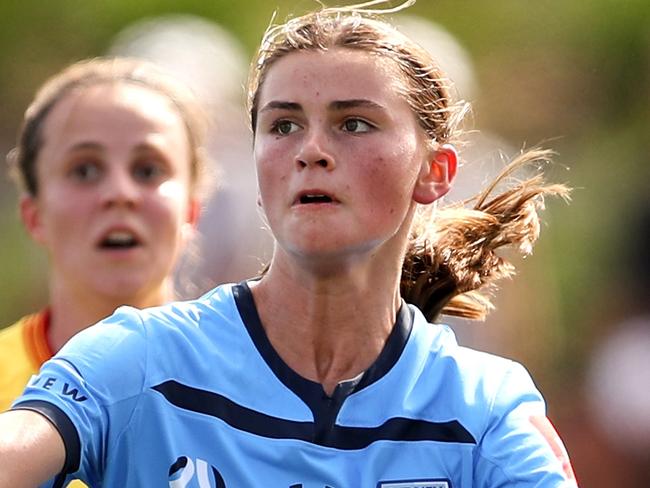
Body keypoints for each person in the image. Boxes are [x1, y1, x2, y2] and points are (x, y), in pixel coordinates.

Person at [0, 2, 577, 486]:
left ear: (436, 171)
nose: (311, 151)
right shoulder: (136, 357)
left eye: (353, 124)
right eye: (283, 126)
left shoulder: (487, 406)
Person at [0, 58, 204, 417]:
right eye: (85, 170)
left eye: (148, 170)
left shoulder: (260, 385)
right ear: (34, 216)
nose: (120, 192)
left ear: (190, 211)